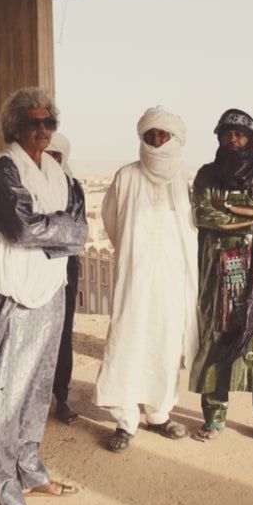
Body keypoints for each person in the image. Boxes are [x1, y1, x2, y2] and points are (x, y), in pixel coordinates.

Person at [0, 87, 88, 505]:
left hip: (50, 288)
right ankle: (6, 493)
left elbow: (81, 229)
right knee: (6, 391)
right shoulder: (3, 171)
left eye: (49, 122)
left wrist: (52, 229)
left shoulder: (60, 175)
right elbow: (22, 227)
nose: (43, 130)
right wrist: (61, 230)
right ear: (15, 127)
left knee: (39, 385)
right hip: (9, 295)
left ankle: (31, 471)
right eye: (33, 123)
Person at [95, 106, 198, 452]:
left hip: (171, 277)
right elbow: (112, 219)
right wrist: (134, 252)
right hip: (134, 275)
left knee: (165, 344)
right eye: (150, 135)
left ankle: (159, 414)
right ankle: (126, 420)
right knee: (127, 339)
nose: (156, 140)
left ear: (173, 138)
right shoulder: (126, 176)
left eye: (162, 134)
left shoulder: (180, 179)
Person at [189, 108, 253, 447]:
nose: (234, 139)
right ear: (220, 137)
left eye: (241, 134)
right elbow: (204, 214)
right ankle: (214, 416)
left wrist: (230, 209)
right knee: (216, 335)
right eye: (228, 133)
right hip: (217, 268)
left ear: (249, 140)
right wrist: (250, 216)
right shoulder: (207, 174)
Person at [44, 132, 80, 424]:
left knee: (62, 331)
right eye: (47, 155)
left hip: (65, 265)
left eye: (57, 156)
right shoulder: (24, 183)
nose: (51, 161)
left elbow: (75, 229)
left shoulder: (73, 188)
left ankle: (61, 396)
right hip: (31, 268)